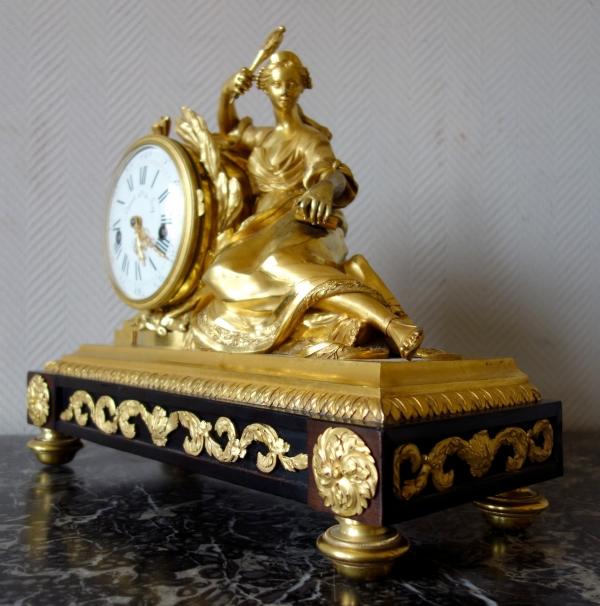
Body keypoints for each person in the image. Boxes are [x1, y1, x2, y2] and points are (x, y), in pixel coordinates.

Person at [185, 51, 424, 360]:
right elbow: (230, 131)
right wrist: (226, 94)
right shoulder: (263, 137)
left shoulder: (310, 139)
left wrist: (324, 188)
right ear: (266, 88)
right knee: (220, 273)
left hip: (303, 223)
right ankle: (330, 305)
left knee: (277, 265)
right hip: (260, 228)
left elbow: (335, 174)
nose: (285, 91)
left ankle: (390, 325)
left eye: (292, 84)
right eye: (278, 85)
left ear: (302, 87)